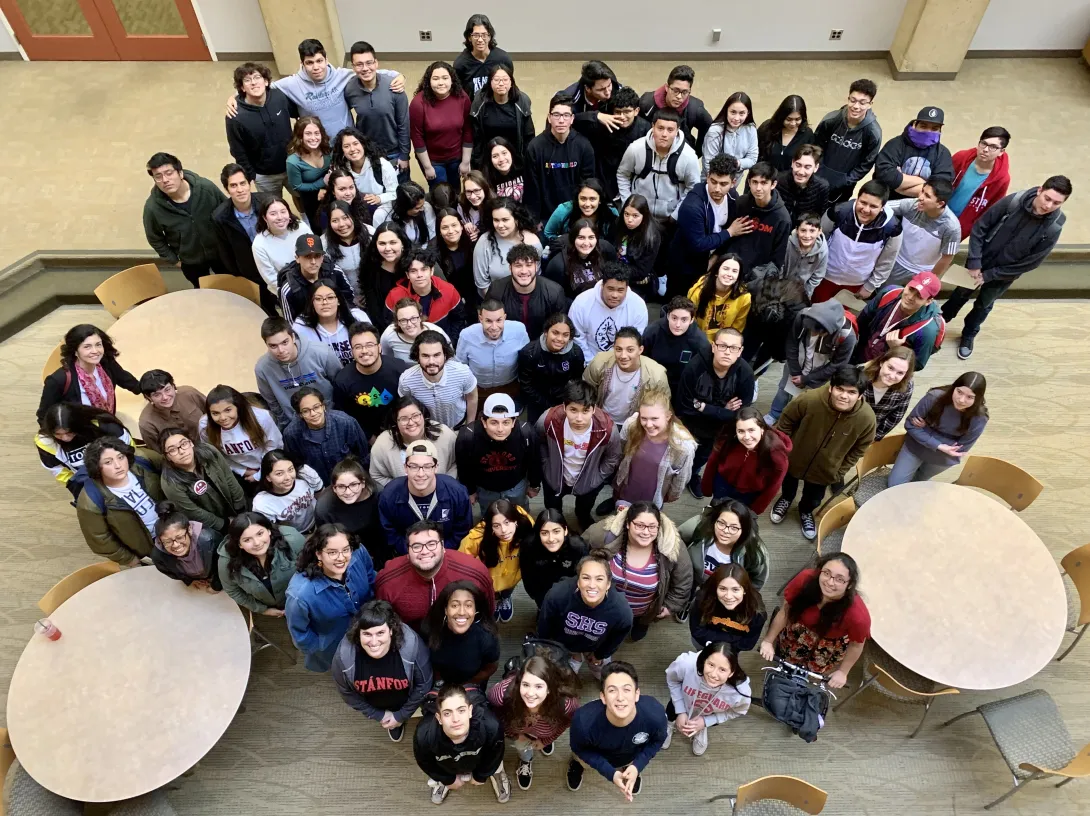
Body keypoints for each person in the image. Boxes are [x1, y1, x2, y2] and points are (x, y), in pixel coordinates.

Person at [942, 176, 1071, 359]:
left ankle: (969, 334)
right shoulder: (1014, 201)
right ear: (1040, 190)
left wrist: (990, 275)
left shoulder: (1054, 227)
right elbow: (980, 227)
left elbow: (1032, 262)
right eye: (1047, 198)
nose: (1048, 206)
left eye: (1056, 203)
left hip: (1003, 275)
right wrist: (975, 262)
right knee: (960, 292)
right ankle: (940, 321)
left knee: (984, 305)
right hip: (979, 262)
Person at [224, 38, 404, 144]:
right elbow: (260, 86)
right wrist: (234, 97)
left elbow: (371, 71)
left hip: (347, 142)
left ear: (326, 59)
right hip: (316, 146)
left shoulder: (343, 75)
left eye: (319, 61)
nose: (316, 67)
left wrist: (399, 76)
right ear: (302, 64)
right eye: (309, 63)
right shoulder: (292, 83)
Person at [771, 366, 876, 540]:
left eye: (851, 392)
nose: (843, 396)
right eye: (839, 389)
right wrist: (783, 450)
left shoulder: (866, 419)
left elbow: (860, 448)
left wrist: (840, 470)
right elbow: (786, 421)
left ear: (860, 396)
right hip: (795, 457)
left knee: (813, 499)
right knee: (788, 484)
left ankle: (805, 512)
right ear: (831, 388)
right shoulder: (809, 399)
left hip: (826, 469)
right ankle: (786, 499)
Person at [760, 552, 870, 688]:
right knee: (785, 658)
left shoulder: (858, 616)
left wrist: (842, 672)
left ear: (849, 585)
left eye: (839, 579)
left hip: (828, 645)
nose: (830, 582)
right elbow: (785, 612)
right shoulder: (805, 580)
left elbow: (857, 645)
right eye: (827, 573)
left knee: (813, 672)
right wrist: (768, 641)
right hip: (797, 630)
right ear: (820, 571)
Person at [332, 599, 432, 742]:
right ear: (358, 633)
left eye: (380, 633)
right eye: (367, 634)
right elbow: (347, 694)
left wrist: (401, 715)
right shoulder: (344, 657)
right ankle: (393, 725)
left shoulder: (411, 646)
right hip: (376, 705)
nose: (373, 642)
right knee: (391, 722)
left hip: (406, 700)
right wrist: (379, 715)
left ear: (391, 630)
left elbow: (424, 684)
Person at [675, 328, 755, 498]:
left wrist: (703, 407)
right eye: (723, 346)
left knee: (703, 456)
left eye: (733, 348)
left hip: (719, 430)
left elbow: (742, 413)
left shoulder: (745, 374)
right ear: (713, 347)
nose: (727, 352)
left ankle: (692, 476)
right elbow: (684, 404)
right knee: (680, 453)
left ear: (740, 351)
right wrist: (723, 410)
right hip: (690, 424)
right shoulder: (695, 368)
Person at [567, 661, 666, 799]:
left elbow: (657, 741)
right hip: (596, 754)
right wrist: (609, 772)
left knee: (631, 765)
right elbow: (580, 749)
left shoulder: (655, 714)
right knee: (580, 759)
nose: (620, 697)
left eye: (627, 689)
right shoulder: (583, 721)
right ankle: (577, 765)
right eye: (612, 690)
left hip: (631, 756)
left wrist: (638, 765)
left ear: (637, 694)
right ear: (603, 697)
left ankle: (630, 771)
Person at [286, 523, 376, 671]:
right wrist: (320, 647)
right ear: (318, 554)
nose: (341, 558)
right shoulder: (300, 595)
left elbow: (370, 575)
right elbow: (300, 634)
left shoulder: (358, 553)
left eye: (346, 550)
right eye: (332, 552)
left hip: (368, 631)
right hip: (333, 646)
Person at [377, 519, 495, 630]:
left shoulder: (474, 573)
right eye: (416, 546)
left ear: (443, 546)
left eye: (431, 544)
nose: (425, 551)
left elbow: (487, 613)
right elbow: (383, 622)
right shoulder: (388, 581)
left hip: (461, 637)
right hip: (414, 640)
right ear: (408, 551)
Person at [488, 651, 580, 791]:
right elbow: (495, 718)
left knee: (545, 734)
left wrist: (546, 740)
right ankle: (526, 760)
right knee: (523, 748)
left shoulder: (566, 704)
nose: (530, 693)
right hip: (516, 731)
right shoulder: (501, 695)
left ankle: (543, 738)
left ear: (549, 688)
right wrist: (514, 735)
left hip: (547, 729)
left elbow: (565, 724)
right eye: (525, 685)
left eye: (538, 686)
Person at [536, 382, 622, 531]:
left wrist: (598, 476)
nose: (579, 418)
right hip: (555, 476)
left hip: (589, 480)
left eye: (585, 411)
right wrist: (546, 464)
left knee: (584, 508)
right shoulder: (549, 420)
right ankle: (558, 526)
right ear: (564, 407)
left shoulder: (607, 429)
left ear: (594, 409)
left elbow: (613, 457)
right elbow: (539, 442)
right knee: (553, 509)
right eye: (573, 410)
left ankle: (582, 518)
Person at [599, 503, 693, 640]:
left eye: (652, 527)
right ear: (627, 524)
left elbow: (684, 579)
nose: (646, 532)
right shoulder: (606, 536)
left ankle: (641, 624)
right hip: (606, 605)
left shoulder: (672, 547)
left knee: (638, 629)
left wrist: (670, 606)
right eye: (639, 525)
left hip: (645, 610)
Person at [538, 549, 633, 678]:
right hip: (565, 644)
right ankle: (575, 658)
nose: (592, 585)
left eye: (599, 579)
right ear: (578, 581)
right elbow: (545, 626)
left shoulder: (621, 610)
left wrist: (601, 654)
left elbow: (617, 637)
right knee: (562, 678)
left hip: (597, 645)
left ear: (608, 584)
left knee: (605, 675)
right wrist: (552, 649)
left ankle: (596, 664)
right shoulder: (557, 595)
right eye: (586, 578)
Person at [413, 683, 511, 805]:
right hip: (447, 760)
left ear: (470, 711)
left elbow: (495, 755)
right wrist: (447, 780)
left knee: (495, 764)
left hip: (481, 755)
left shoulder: (491, 727)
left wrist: (481, 775)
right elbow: (426, 763)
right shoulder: (424, 736)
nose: (456, 719)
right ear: (439, 718)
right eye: (447, 713)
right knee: (443, 765)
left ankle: (496, 774)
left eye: (461, 710)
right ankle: (442, 782)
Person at [142, 152, 227, 287]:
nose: (165, 180)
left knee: (231, 286)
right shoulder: (153, 208)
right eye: (158, 176)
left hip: (221, 252)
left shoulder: (205, 188)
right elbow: (155, 238)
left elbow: (227, 211)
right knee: (203, 292)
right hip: (191, 261)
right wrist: (175, 261)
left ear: (180, 173)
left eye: (169, 173)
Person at [766, 299, 858, 423]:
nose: (812, 333)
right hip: (797, 362)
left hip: (821, 370)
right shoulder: (803, 316)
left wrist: (806, 379)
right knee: (783, 389)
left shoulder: (847, 337)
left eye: (817, 332)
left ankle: (797, 421)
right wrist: (795, 372)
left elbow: (837, 365)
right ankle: (774, 414)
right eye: (810, 330)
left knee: (812, 398)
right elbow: (792, 343)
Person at [889, 372, 989, 485]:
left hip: (942, 458)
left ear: (978, 398)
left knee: (919, 483)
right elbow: (910, 425)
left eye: (970, 397)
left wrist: (926, 429)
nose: (961, 400)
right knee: (894, 483)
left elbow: (960, 449)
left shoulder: (979, 418)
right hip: (916, 447)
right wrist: (941, 445)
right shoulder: (934, 397)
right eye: (959, 392)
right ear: (953, 388)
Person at [76, 437, 163, 565]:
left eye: (121, 457)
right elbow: (100, 540)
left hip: (176, 530)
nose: (118, 466)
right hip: (150, 549)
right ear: (97, 467)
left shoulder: (143, 460)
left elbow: (172, 469)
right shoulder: (90, 500)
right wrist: (130, 559)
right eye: (108, 462)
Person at [812, 179, 902, 303]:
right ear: (857, 198)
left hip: (856, 284)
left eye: (873, 206)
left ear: (882, 207)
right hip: (824, 276)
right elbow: (817, 241)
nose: (865, 209)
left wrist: (870, 286)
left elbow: (887, 261)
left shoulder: (892, 228)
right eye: (863, 202)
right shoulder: (838, 212)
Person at [378, 439, 473, 553]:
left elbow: (462, 530)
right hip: (407, 555)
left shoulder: (457, 492)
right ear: (405, 468)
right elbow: (390, 533)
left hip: (447, 553)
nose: (420, 474)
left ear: (436, 467)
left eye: (427, 466)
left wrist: (440, 552)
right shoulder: (389, 495)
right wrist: (413, 552)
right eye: (414, 466)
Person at [211, 163, 280, 316]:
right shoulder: (220, 217)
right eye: (234, 185)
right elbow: (224, 249)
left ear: (250, 184)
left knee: (283, 299)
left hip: (274, 264)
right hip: (250, 270)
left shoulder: (267, 202)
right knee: (265, 308)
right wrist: (237, 272)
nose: (240, 189)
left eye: (243, 183)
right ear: (227, 189)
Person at [38, 324, 141, 424]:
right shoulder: (59, 380)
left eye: (98, 345)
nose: (95, 351)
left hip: (109, 428)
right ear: (75, 351)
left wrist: (151, 390)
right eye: (87, 347)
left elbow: (129, 382)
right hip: (79, 435)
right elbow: (44, 416)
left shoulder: (107, 364)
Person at [456, 393, 539, 515]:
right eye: (494, 422)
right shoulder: (467, 436)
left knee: (521, 515)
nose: (500, 429)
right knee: (489, 516)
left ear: (513, 422)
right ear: (484, 422)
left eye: (506, 422)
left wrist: (534, 485)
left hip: (516, 486)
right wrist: (470, 491)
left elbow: (534, 461)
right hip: (485, 489)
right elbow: (464, 467)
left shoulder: (526, 433)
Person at [663, 642, 751, 757]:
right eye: (711, 665)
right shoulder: (686, 664)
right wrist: (680, 710)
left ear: (731, 672)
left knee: (704, 720)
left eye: (722, 670)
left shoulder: (741, 692)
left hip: (708, 712)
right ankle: (669, 724)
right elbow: (673, 680)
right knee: (671, 709)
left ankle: (700, 728)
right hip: (684, 700)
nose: (714, 674)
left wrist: (706, 722)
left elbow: (737, 711)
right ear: (704, 661)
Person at [669, 154, 743, 290]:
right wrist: (730, 232)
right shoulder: (692, 206)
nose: (717, 189)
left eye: (723, 184)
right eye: (713, 181)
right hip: (685, 266)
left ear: (733, 183)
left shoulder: (733, 197)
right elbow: (698, 243)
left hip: (712, 262)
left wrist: (715, 258)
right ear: (707, 176)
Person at [254, 317, 342, 430]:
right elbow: (272, 403)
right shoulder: (262, 368)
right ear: (266, 344)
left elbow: (340, 386)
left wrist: (337, 415)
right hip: (296, 426)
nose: (281, 350)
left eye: (284, 342)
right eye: (273, 346)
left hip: (331, 417)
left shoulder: (322, 353)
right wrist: (287, 425)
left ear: (293, 337)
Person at [616, 109, 700, 226]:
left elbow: (693, 187)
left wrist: (676, 214)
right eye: (660, 128)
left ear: (677, 131)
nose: (664, 134)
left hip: (671, 219)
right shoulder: (635, 149)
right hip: (639, 217)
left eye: (670, 130)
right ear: (653, 126)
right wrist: (629, 204)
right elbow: (622, 174)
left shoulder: (688, 156)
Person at [459, 498, 536, 622]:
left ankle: (505, 598)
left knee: (507, 591)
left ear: (515, 520)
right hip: (489, 579)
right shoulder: (476, 539)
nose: (504, 530)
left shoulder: (526, 527)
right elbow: (462, 562)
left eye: (507, 522)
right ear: (490, 527)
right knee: (490, 592)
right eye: (496, 526)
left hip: (513, 576)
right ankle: (493, 600)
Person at [225, 61, 295, 197]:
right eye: (247, 80)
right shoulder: (235, 116)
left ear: (266, 82)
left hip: (292, 165)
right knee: (273, 206)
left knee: (300, 197)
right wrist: (252, 175)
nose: (253, 83)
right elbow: (237, 150)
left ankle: (304, 218)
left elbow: (298, 116)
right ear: (242, 88)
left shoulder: (279, 97)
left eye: (257, 77)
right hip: (264, 175)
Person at [701, 407, 791, 512]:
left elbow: (774, 484)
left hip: (748, 495)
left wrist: (757, 508)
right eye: (741, 431)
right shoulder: (727, 440)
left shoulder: (776, 453)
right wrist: (706, 487)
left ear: (762, 429)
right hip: (722, 485)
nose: (747, 437)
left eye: (751, 430)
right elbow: (712, 462)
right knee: (717, 511)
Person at [217, 511, 307, 616]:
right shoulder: (227, 562)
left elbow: (312, 567)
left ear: (268, 530)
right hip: (267, 608)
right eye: (247, 540)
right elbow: (233, 590)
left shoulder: (292, 540)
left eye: (260, 534)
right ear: (239, 544)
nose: (257, 543)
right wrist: (262, 610)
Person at [159, 428, 246, 535]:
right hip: (212, 525)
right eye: (172, 450)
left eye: (184, 444)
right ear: (167, 457)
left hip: (234, 505)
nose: (181, 451)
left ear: (191, 443)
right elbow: (194, 512)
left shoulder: (209, 451)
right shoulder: (169, 483)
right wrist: (225, 524)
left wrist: (240, 507)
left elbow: (229, 477)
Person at [344, 42, 410, 183]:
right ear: (353, 67)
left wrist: (404, 156)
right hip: (367, 153)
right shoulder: (350, 89)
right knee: (377, 194)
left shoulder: (394, 87)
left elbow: (404, 124)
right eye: (359, 64)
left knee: (403, 195)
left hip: (394, 152)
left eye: (369, 63)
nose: (365, 68)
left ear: (376, 63)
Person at [333, 323, 410, 442]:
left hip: (402, 428)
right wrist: (370, 439)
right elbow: (345, 417)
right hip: (366, 437)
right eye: (358, 347)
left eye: (369, 345)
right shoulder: (342, 381)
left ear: (379, 347)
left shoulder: (399, 369)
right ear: (352, 351)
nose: (364, 351)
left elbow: (410, 404)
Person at [36, 404, 131, 500]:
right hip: (87, 482)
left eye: (69, 433)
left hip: (123, 475)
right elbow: (57, 469)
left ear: (78, 425)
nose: (65, 438)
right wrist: (78, 488)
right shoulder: (45, 442)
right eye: (58, 434)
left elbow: (130, 452)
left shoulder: (104, 426)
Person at [199, 385, 283, 488]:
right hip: (238, 472)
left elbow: (274, 446)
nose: (223, 418)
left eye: (228, 410)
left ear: (238, 406)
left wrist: (260, 473)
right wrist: (242, 471)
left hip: (270, 466)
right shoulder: (205, 426)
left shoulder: (261, 418)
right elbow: (215, 455)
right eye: (215, 413)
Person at [856, 271, 944, 370]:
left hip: (883, 368)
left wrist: (897, 351)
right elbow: (864, 318)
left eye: (919, 296)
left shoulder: (927, 331)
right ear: (907, 284)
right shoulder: (889, 292)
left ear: (928, 301)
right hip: (860, 350)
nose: (910, 297)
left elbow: (918, 364)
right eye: (911, 289)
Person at [813, 79, 882, 204]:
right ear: (848, 98)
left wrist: (846, 181)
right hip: (817, 177)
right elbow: (816, 146)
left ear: (870, 104)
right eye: (853, 100)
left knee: (834, 215)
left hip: (843, 187)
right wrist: (818, 169)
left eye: (862, 103)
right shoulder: (831, 120)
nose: (856, 106)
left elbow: (867, 162)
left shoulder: (873, 133)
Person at [574, 87, 650, 201]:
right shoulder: (604, 124)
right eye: (618, 112)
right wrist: (596, 116)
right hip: (605, 179)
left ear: (636, 111)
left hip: (633, 180)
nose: (622, 117)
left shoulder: (645, 129)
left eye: (627, 111)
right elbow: (575, 121)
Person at [582, 328, 670, 426]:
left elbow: (662, 407)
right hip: (601, 419)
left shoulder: (656, 375)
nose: (623, 356)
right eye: (618, 349)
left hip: (637, 425)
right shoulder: (600, 362)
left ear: (640, 350)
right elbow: (585, 392)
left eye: (630, 350)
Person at [282, 387, 370, 485]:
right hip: (318, 486)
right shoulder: (291, 434)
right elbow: (296, 466)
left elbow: (363, 455)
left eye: (316, 407)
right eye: (306, 411)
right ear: (300, 414)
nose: (313, 413)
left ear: (323, 406)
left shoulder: (345, 422)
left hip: (350, 481)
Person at [683, 498, 770, 595]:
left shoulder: (754, 550)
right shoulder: (698, 527)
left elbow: (757, 580)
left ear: (744, 530)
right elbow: (675, 544)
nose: (725, 531)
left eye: (734, 528)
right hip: (691, 580)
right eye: (721, 523)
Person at [742, 254, 812, 374]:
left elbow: (783, 345)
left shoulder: (797, 313)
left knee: (764, 354)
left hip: (779, 333)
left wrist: (780, 354)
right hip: (756, 322)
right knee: (748, 346)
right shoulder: (760, 290)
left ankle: (754, 376)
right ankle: (742, 369)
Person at [316, 456, 391, 568]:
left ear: (363, 483)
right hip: (347, 552)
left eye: (353, 485)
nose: (348, 492)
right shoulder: (325, 508)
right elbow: (328, 542)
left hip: (379, 544)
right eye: (341, 487)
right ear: (334, 488)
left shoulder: (378, 495)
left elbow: (387, 527)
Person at [410, 61, 473, 192]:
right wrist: (427, 166)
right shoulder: (418, 103)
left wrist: (466, 162)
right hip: (433, 160)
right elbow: (416, 137)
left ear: (452, 80)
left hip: (456, 156)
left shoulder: (462, 98)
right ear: (428, 81)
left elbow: (468, 130)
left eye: (445, 78)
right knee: (441, 194)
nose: (441, 83)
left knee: (455, 191)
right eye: (435, 78)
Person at [384, 247, 467, 345]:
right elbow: (390, 326)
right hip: (408, 346)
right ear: (407, 274)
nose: (419, 275)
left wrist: (450, 343)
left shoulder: (449, 291)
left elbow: (459, 320)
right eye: (413, 271)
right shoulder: (395, 296)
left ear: (431, 271)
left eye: (424, 269)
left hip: (442, 346)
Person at [486, 244, 569, 342]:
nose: (524, 271)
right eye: (518, 265)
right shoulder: (496, 290)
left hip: (542, 347)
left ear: (536, 267)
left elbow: (560, 329)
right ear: (510, 268)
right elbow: (487, 323)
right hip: (506, 344)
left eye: (529, 265)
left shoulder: (554, 292)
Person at [424, 580, 501, 684]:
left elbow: (490, 668)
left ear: (475, 610)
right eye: (455, 605)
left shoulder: (487, 637)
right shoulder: (430, 629)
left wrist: (464, 687)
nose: (461, 612)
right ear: (446, 609)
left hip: (471, 685)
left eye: (468, 606)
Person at [370, 396, 457, 488]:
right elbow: (376, 476)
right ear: (396, 421)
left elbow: (456, 463)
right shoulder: (382, 444)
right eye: (404, 418)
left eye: (415, 416)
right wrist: (401, 489)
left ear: (423, 415)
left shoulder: (445, 435)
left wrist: (443, 486)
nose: (411, 423)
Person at [886, 179, 961, 286]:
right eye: (922, 191)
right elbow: (882, 207)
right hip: (895, 261)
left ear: (940, 204)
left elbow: (947, 257)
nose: (920, 197)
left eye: (927, 196)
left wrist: (929, 280)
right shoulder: (912, 205)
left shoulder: (952, 227)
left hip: (921, 273)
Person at [568, 264, 648, 363]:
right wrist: (591, 364)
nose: (615, 295)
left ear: (627, 288)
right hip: (589, 361)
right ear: (602, 285)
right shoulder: (581, 302)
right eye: (610, 289)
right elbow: (578, 339)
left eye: (620, 290)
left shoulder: (638, 305)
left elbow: (635, 342)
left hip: (623, 361)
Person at [399, 330, 479, 428]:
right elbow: (406, 408)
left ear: (445, 355)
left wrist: (469, 426)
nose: (431, 361)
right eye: (425, 356)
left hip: (458, 426)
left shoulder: (462, 372)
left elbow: (472, 398)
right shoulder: (406, 380)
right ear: (417, 356)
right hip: (426, 430)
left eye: (436, 355)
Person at [455, 300, 529, 406]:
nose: (494, 327)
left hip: (510, 389)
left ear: (505, 317)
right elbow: (460, 367)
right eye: (488, 321)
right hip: (478, 391)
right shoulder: (466, 335)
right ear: (480, 319)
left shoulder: (519, 330)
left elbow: (526, 360)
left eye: (499, 320)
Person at [874, 106, 954, 201]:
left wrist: (899, 186)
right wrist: (924, 183)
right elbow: (884, 175)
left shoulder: (943, 154)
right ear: (915, 124)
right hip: (886, 201)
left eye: (934, 129)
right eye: (923, 126)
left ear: (940, 130)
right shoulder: (895, 144)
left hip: (919, 206)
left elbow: (940, 189)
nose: (928, 132)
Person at [725, 161, 792, 274]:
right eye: (754, 182)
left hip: (755, 278)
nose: (758, 188)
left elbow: (777, 261)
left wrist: (756, 278)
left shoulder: (782, 218)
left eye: (764, 183)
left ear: (773, 184)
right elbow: (727, 239)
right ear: (749, 183)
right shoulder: (741, 203)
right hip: (731, 268)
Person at [518, 312, 585, 422]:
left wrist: (564, 401)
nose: (559, 338)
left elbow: (576, 381)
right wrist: (546, 405)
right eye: (555, 333)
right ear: (546, 332)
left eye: (565, 335)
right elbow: (526, 385)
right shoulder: (529, 352)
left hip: (563, 402)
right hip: (537, 402)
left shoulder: (576, 353)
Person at [687, 564, 767, 653]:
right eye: (723, 589)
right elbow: (697, 631)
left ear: (744, 590)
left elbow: (747, 644)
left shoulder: (757, 612)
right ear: (715, 588)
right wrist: (734, 639)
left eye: (735, 589)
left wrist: (724, 645)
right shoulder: (703, 599)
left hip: (731, 650)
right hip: (703, 644)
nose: (728, 596)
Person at [519, 509, 588, 610]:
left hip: (569, 591)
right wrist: (533, 594)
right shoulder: (528, 546)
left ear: (565, 530)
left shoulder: (577, 547)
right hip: (542, 591)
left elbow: (584, 573)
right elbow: (527, 575)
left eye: (556, 531)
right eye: (544, 533)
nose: (551, 539)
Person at [278, 235, 356, 324]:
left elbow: (349, 299)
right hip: (308, 328)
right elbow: (291, 322)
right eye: (307, 256)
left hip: (339, 321)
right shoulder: (289, 288)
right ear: (297, 258)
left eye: (317, 256)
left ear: (323, 257)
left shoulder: (334, 272)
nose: (313, 262)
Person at [949, 126, 1012, 237]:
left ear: (1001, 152)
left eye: (993, 147)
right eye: (983, 143)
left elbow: (991, 211)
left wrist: (970, 229)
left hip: (957, 229)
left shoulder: (1002, 179)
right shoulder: (961, 157)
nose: (986, 149)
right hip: (934, 213)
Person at [473, 197, 543, 295]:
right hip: (495, 301)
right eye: (496, 220)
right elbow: (482, 284)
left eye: (505, 220)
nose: (500, 225)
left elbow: (536, 277)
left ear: (516, 219)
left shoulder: (532, 242)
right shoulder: (485, 242)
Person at [470, 66, 535, 171]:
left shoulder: (521, 101)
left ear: (511, 83)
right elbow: (476, 137)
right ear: (490, 82)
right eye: (496, 80)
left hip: (515, 158)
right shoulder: (480, 101)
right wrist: (477, 163)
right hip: (488, 159)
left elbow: (529, 135)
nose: (501, 84)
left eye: (505, 80)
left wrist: (527, 161)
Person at [641, 297, 711, 391]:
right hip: (653, 381)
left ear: (691, 320)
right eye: (674, 318)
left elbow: (703, 372)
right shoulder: (653, 331)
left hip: (682, 386)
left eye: (684, 320)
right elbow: (642, 359)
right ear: (668, 316)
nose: (678, 324)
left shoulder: (700, 341)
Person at [638, 65, 712, 152]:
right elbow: (637, 127)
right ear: (666, 87)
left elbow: (708, 127)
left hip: (681, 150)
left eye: (684, 92)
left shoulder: (695, 109)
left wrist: (697, 151)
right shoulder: (647, 102)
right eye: (676, 90)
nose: (679, 96)